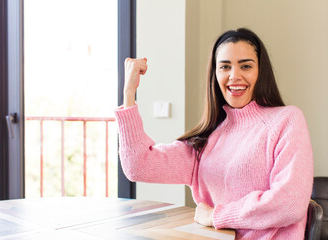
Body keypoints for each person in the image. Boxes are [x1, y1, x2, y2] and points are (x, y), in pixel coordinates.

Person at [114, 28, 313, 239]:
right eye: (225, 67)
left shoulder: (287, 120)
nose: (234, 76)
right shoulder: (207, 139)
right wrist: (128, 94)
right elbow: (138, 166)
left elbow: (290, 203)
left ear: (260, 71)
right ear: (215, 74)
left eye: (246, 66)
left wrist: (217, 216)